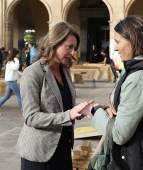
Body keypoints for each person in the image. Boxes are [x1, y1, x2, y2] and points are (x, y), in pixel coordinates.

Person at [90, 15, 143, 170]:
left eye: (118, 42)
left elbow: (119, 134)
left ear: (134, 40)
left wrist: (96, 111)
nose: (115, 48)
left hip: (135, 161)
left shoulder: (140, 77)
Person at [16, 21, 93, 170]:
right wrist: (69, 115)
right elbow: (31, 117)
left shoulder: (65, 70)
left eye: (74, 48)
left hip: (63, 147)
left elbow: (64, 108)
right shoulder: (33, 73)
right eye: (69, 47)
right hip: (39, 153)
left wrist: (80, 111)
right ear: (54, 43)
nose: (73, 53)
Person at [0, 48, 22, 116]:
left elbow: (16, 71)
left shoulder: (12, 61)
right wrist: (16, 60)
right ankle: (24, 111)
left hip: (11, 80)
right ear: (15, 54)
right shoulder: (10, 62)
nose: (19, 55)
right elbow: (16, 68)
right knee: (19, 96)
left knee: (7, 96)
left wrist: (23, 75)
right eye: (18, 54)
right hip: (11, 81)